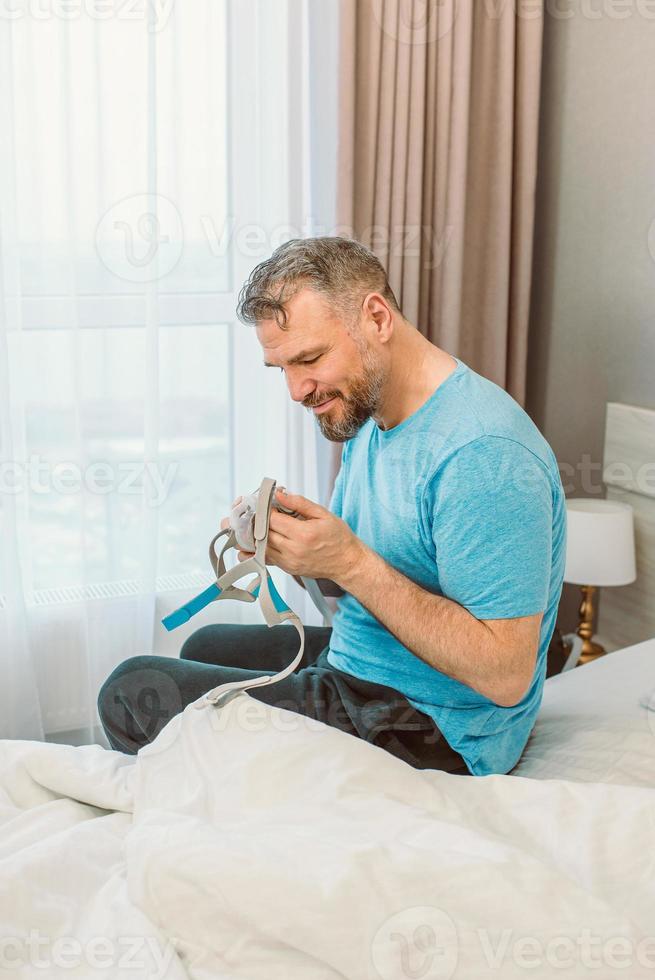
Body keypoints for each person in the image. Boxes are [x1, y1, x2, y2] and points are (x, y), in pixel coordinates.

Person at [98, 237, 566, 775]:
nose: (297, 390)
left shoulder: (482, 453)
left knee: (133, 690)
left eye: (310, 359)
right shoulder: (370, 415)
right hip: (372, 660)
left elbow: (506, 676)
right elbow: (359, 586)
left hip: (433, 726)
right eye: (282, 369)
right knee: (204, 642)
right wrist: (301, 554)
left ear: (376, 318)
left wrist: (348, 561)